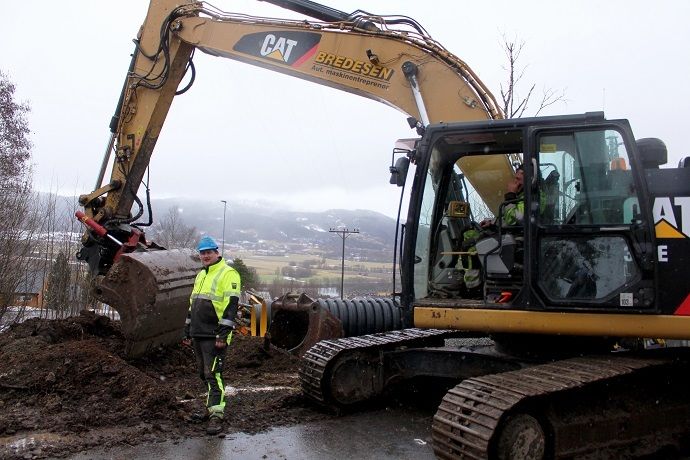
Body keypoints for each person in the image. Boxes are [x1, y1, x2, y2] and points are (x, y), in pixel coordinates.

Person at [183, 235, 241, 435]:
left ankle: (217, 415)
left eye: (209, 252)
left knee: (213, 374)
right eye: (202, 253)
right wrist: (187, 329)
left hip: (215, 334)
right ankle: (210, 409)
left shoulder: (228, 273)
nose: (206, 256)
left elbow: (231, 307)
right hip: (199, 333)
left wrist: (222, 335)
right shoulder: (201, 275)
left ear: (217, 253)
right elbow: (193, 303)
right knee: (203, 373)